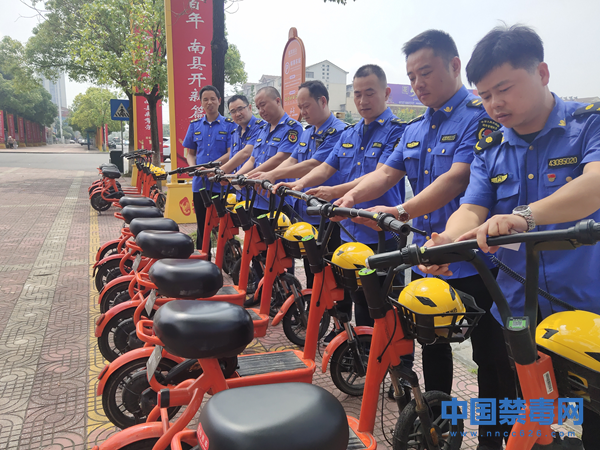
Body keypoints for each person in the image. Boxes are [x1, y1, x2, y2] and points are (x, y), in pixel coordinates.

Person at [421, 25, 600, 449]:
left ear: (542, 73)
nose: (494, 104)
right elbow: (472, 209)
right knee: (531, 416)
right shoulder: (490, 148)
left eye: (504, 89)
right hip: (518, 311)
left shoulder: (588, 125)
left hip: (587, 309)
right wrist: (446, 244)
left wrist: (524, 217)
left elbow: (595, 184)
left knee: (591, 420)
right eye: (485, 95)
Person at [335, 30, 515, 449]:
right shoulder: (415, 127)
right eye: (412, 75)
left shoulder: (479, 117)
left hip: (475, 261)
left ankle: (492, 440)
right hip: (424, 256)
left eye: (426, 72)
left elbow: (458, 178)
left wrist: (401, 211)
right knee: (433, 347)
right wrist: (350, 199)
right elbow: (386, 172)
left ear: (454, 66)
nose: (418, 83)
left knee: (490, 358)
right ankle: (438, 428)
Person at [283, 64, 406, 329]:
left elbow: (380, 175)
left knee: (385, 307)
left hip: (381, 233)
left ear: (386, 93)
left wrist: (335, 192)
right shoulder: (350, 132)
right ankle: (362, 349)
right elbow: (326, 167)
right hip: (350, 231)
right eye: (357, 94)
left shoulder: (398, 131)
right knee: (358, 299)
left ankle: (391, 355)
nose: (362, 101)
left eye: (370, 93)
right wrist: (299, 184)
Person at [253, 80, 346, 288]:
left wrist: (273, 174)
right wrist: (271, 174)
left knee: (332, 276)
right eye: (300, 107)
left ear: (323, 101)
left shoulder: (338, 132)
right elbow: (293, 160)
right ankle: (312, 306)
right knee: (311, 270)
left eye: (306, 106)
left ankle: (335, 309)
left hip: (327, 215)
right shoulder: (308, 131)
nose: (302, 112)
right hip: (304, 211)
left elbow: (313, 164)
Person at [236, 86, 303, 217]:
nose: (261, 111)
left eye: (263, 105)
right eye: (258, 107)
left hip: (278, 199)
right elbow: (252, 159)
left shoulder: (293, 128)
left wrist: (248, 177)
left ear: (277, 101)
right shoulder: (262, 129)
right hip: (256, 198)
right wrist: (237, 176)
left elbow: (281, 157)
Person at [183, 85, 235, 250]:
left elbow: (231, 153)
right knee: (202, 225)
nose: (209, 102)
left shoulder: (229, 125)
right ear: (201, 103)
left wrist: (211, 168)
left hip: (221, 183)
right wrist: (194, 168)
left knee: (225, 226)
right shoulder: (195, 125)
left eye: (213, 99)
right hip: (200, 185)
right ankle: (203, 258)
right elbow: (190, 153)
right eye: (205, 99)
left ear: (219, 101)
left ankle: (227, 259)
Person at [220, 94, 264, 176]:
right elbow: (232, 161)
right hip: (239, 182)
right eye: (233, 111)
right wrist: (224, 175)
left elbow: (245, 153)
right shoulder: (235, 133)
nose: (237, 114)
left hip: (256, 180)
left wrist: (220, 171)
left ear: (250, 108)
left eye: (240, 109)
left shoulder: (261, 127)